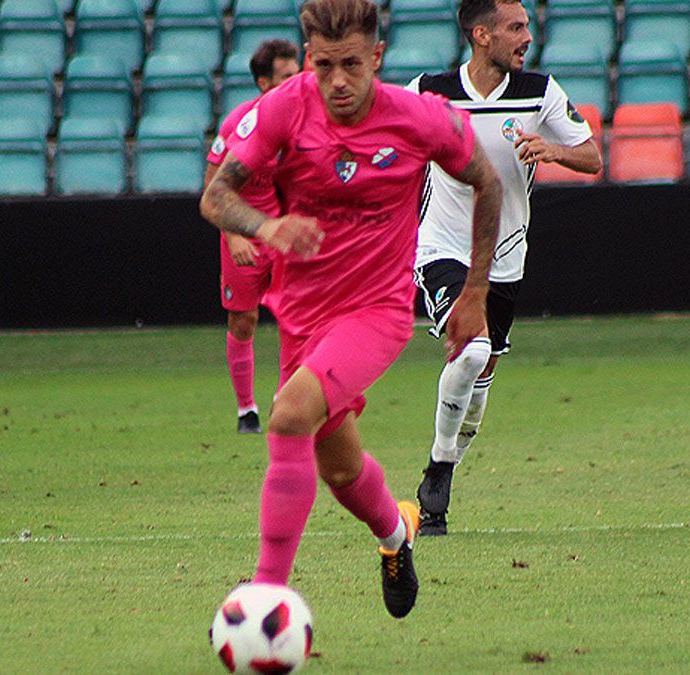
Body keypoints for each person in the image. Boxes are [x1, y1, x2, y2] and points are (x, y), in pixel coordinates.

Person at [200, 0, 503, 618]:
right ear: (309, 59)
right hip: (301, 316)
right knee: (338, 469)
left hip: (375, 311)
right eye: (325, 65)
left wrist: (474, 293)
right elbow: (217, 195)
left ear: (377, 59)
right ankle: (396, 535)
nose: (338, 81)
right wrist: (268, 225)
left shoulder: (418, 117)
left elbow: (486, 182)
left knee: (286, 419)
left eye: (353, 65)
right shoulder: (286, 107)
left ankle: (267, 598)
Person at [408, 0, 602, 535]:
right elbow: (381, 139)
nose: (527, 37)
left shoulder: (540, 91)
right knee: (471, 350)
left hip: (506, 253)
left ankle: (444, 468)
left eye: (527, 27)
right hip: (444, 246)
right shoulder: (428, 92)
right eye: (516, 27)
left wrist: (553, 150)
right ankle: (439, 473)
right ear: (481, 34)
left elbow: (593, 158)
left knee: (483, 371)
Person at [205, 39, 302, 434]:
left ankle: (285, 402)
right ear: (263, 83)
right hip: (246, 232)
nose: (297, 82)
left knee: (294, 320)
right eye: (286, 77)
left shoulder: (306, 121)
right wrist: (233, 235)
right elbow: (213, 186)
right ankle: (247, 409)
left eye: (298, 74)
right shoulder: (238, 124)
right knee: (243, 320)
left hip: (285, 235)